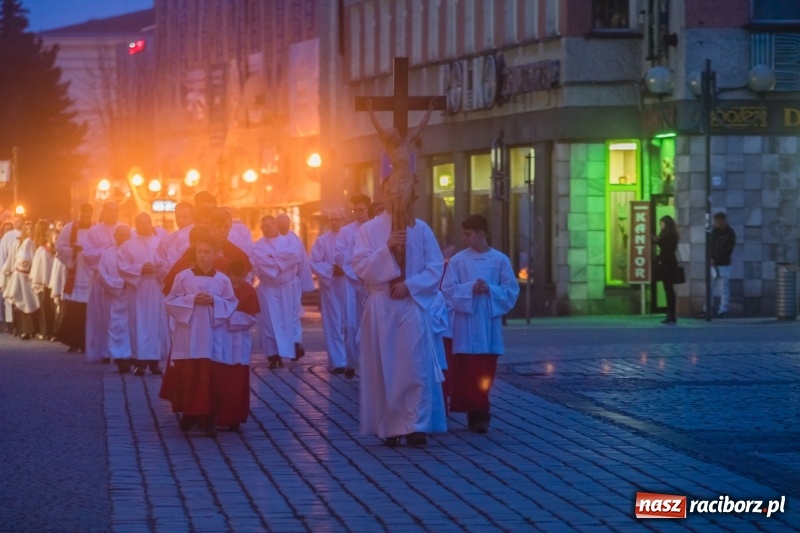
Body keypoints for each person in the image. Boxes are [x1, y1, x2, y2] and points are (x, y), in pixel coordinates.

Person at [352, 195, 447, 448]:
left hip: (411, 303)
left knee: (415, 366)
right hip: (382, 304)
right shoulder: (369, 229)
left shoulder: (421, 228)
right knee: (387, 366)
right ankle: (391, 426)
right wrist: (386, 248)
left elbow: (435, 266)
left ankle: (417, 425)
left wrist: (410, 285)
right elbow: (360, 266)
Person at [441, 214, 520, 433]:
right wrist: (469, 289)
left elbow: (511, 290)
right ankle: (475, 413)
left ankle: (481, 411)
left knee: (485, 370)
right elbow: (448, 290)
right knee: (467, 371)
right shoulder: (458, 260)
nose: (464, 238)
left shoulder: (500, 260)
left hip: (488, 326)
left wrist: (490, 290)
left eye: (468, 234)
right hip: (465, 325)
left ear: (481, 234)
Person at [160, 230, 238, 438]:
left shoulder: (222, 280)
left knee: (212, 376)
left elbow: (231, 302)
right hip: (189, 334)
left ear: (215, 255)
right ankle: (190, 412)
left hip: (213, 334)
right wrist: (192, 300)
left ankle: (209, 416)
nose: (203, 255)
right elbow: (170, 301)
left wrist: (215, 301)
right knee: (191, 374)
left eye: (207, 252)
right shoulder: (183, 276)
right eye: (200, 251)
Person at [118, 213, 167, 375]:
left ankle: (154, 361)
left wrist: (157, 268)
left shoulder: (159, 243)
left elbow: (166, 263)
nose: (145, 226)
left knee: (155, 324)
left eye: (148, 223)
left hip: (155, 287)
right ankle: (139, 361)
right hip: (137, 290)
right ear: (136, 225)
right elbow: (122, 266)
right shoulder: (128, 245)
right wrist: (140, 269)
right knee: (137, 323)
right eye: (142, 223)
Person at [251, 215, 302, 369]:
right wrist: (281, 260)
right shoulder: (258, 246)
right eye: (263, 226)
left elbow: (294, 256)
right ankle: (273, 355)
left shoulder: (289, 241)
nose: (265, 229)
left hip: (288, 287)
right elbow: (260, 263)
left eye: (268, 225)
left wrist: (272, 258)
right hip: (268, 289)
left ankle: (294, 346)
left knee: (291, 318)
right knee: (269, 322)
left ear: (275, 225)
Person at [219, 260, 260, 432]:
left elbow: (251, 317)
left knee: (237, 380)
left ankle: (235, 417)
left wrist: (229, 317)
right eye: (232, 281)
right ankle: (219, 415)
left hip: (239, 339)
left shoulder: (249, 290)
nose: (235, 286)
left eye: (238, 282)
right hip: (222, 338)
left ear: (245, 277)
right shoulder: (221, 288)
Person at [334, 193, 371, 377]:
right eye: (355, 210)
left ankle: (367, 363)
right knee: (350, 322)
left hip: (370, 282)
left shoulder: (374, 229)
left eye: (361, 210)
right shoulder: (346, 231)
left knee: (368, 322)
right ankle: (350, 361)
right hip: (350, 280)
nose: (358, 214)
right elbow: (340, 254)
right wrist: (353, 264)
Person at [309, 209, 349, 374]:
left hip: (349, 285)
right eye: (332, 219)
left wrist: (346, 269)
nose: (335, 222)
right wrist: (332, 270)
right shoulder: (322, 241)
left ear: (343, 220)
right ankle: (338, 361)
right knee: (333, 323)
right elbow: (314, 262)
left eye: (338, 219)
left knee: (350, 322)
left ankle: (351, 359)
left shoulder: (351, 238)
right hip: (331, 286)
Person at [82, 202, 119, 363]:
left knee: (118, 316)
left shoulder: (125, 230)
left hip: (119, 280)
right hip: (100, 280)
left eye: (115, 211)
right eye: (109, 211)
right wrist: (107, 251)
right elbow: (87, 254)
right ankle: (103, 350)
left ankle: (119, 349)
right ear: (103, 212)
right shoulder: (94, 231)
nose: (112, 214)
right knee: (101, 317)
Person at [55, 204, 94, 352]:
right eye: (82, 215)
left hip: (90, 273)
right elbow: (59, 247)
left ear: (91, 214)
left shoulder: (95, 229)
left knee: (88, 311)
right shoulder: (69, 228)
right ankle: (72, 340)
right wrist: (73, 250)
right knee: (74, 309)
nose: (85, 218)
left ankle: (86, 342)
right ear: (79, 214)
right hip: (76, 272)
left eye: (88, 215)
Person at [97, 225, 135, 374]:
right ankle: (120, 358)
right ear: (115, 236)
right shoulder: (107, 254)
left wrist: (132, 283)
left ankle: (132, 356)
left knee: (132, 326)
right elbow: (102, 275)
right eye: (121, 235)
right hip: (114, 297)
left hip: (132, 296)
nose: (124, 237)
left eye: (126, 235)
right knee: (117, 327)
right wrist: (120, 284)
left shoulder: (133, 252)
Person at [276, 213, 313, 360]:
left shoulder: (295, 240)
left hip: (292, 283)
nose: (284, 227)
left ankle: (295, 344)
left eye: (286, 224)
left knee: (293, 315)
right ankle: (279, 347)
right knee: (278, 316)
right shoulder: (272, 240)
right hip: (277, 285)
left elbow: (303, 262)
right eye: (281, 224)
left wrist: (304, 285)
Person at [3, 220, 38, 339]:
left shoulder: (34, 243)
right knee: (18, 303)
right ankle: (19, 328)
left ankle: (30, 329)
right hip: (18, 276)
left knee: (29, 303)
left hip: (29, 277)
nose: (29, 231)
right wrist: (7, 272)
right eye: (26, 229)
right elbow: (11, 259)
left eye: (31, 229)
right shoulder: (17, 243)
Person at [30, 220, 55, 340]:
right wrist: (38, 281)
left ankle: (53, 331)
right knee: (44, 308)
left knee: (53, 308)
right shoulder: (41, 250)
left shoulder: (57, 251)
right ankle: (45, 331)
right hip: (43, 283)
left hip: (54, 283)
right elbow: (37, 267)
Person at [710, 212, 736, 318]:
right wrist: (711, 258)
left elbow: (728, 249)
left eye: (717, 221)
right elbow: (710, 246)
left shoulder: (729, 233)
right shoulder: (714, 232)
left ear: (722, 221)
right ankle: (708, 308)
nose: (715, 223)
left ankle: (723, 309)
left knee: (723, 287)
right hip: (714, 263)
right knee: (710, 287)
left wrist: (715, 258)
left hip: (724, 263)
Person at [655, 215, 679, 325]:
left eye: (662, 224)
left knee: (668, 290)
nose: (661, 226)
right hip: (670, 264)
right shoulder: (671, 235)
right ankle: (671, 314)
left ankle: (670, 314)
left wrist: (659, 259)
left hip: (667, 265)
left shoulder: (668, 236)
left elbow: (666, 250)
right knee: (669, 290)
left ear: (666, 224)